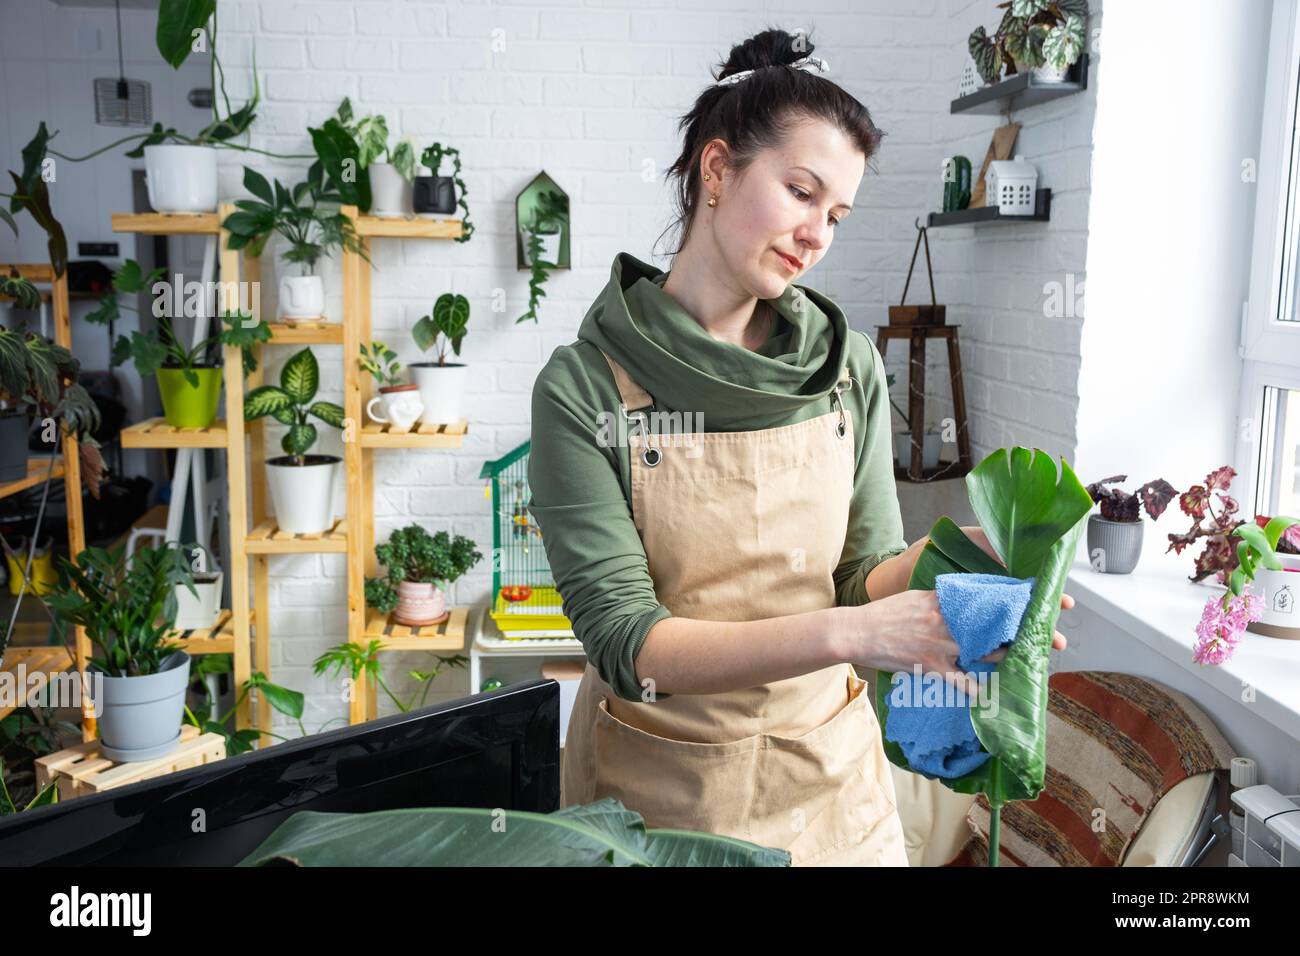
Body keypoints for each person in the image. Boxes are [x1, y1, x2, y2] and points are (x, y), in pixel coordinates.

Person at [527, 27, 1073, 866]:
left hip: (832, 791)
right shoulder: (588, 387)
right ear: (717, 170)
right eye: (800, 190)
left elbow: (865, 572)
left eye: (837, 212)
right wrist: (857, 635)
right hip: (662, 804)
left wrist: (969, 566)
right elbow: (630, 645)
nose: (818, 233)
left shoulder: (846, 366)